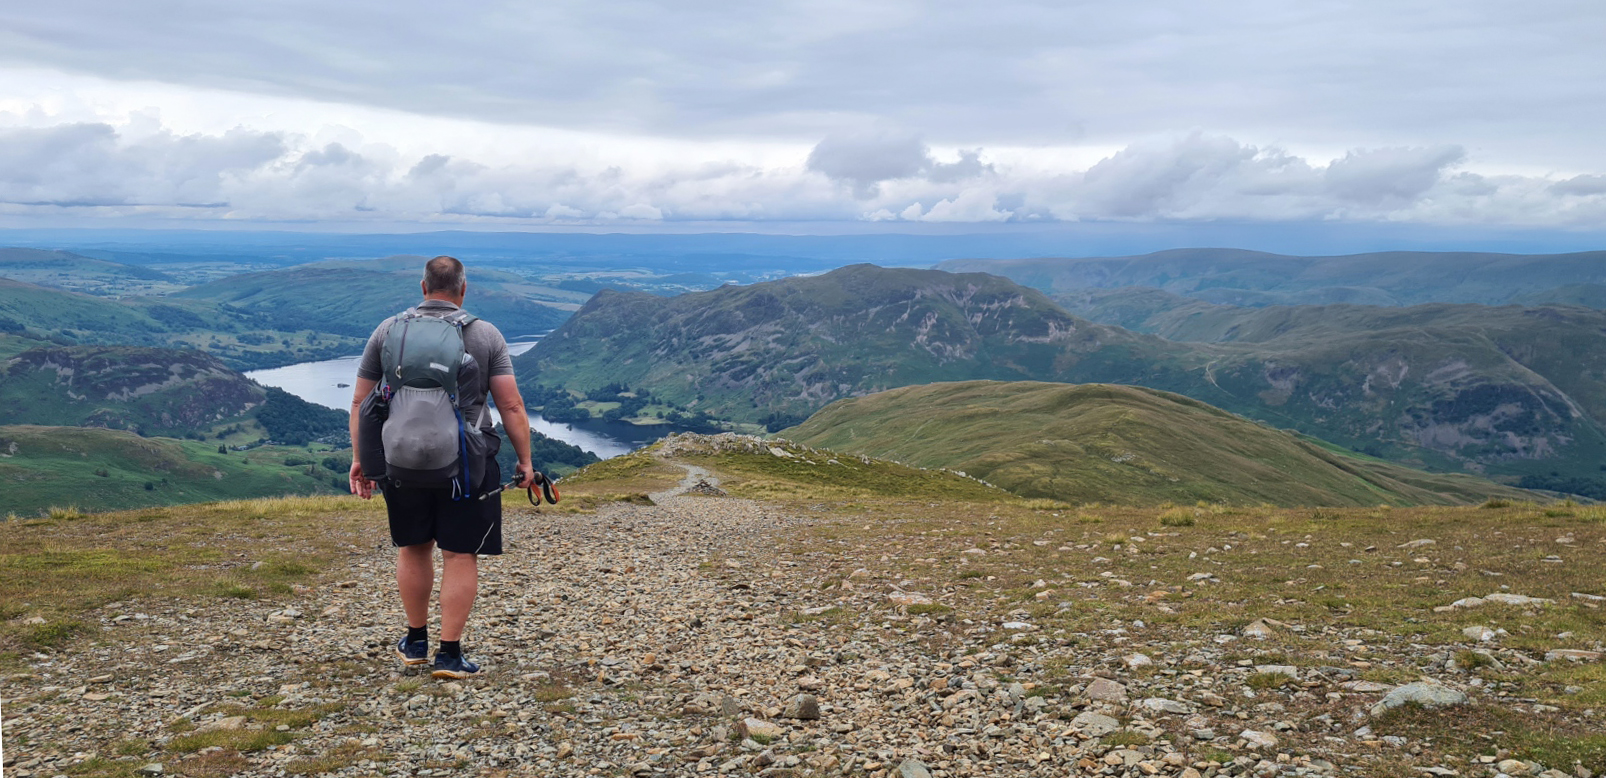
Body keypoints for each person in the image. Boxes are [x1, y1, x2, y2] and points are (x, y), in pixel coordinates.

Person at [347, 255, 534, 679]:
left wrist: (363, 460)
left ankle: (415, 642)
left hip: (400, 461)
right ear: (463, 290)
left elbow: (362, 402)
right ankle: (449, 654)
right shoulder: (485, 334)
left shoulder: (389, 330)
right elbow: (511, 405)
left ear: (423, 287)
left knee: (414, 547)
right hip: (468, 465)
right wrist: (525, 461)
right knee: (460, 553)